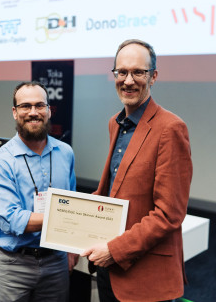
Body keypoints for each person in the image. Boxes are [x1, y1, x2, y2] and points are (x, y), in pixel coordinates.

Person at [81, 39, 193, 302]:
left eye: (138, 72)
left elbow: (169, 214)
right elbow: (112, 190)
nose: (128, 80)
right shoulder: (115, 123)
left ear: (153, 76)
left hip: (145, 276)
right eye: (121, 72)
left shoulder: (171, 128)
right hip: (110, 269)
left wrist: (114, 250)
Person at [0, 81, 77, 302]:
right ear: (15, 113)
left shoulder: (65, 153)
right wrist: (66, 219)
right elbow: (11, 219)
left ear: (48, 110)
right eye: (26, 106)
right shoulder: (0, 161)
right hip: (12, 265)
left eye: (39, 105)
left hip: (56, 262)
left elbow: (72, 202)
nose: (34, 113)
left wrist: (72, 249)